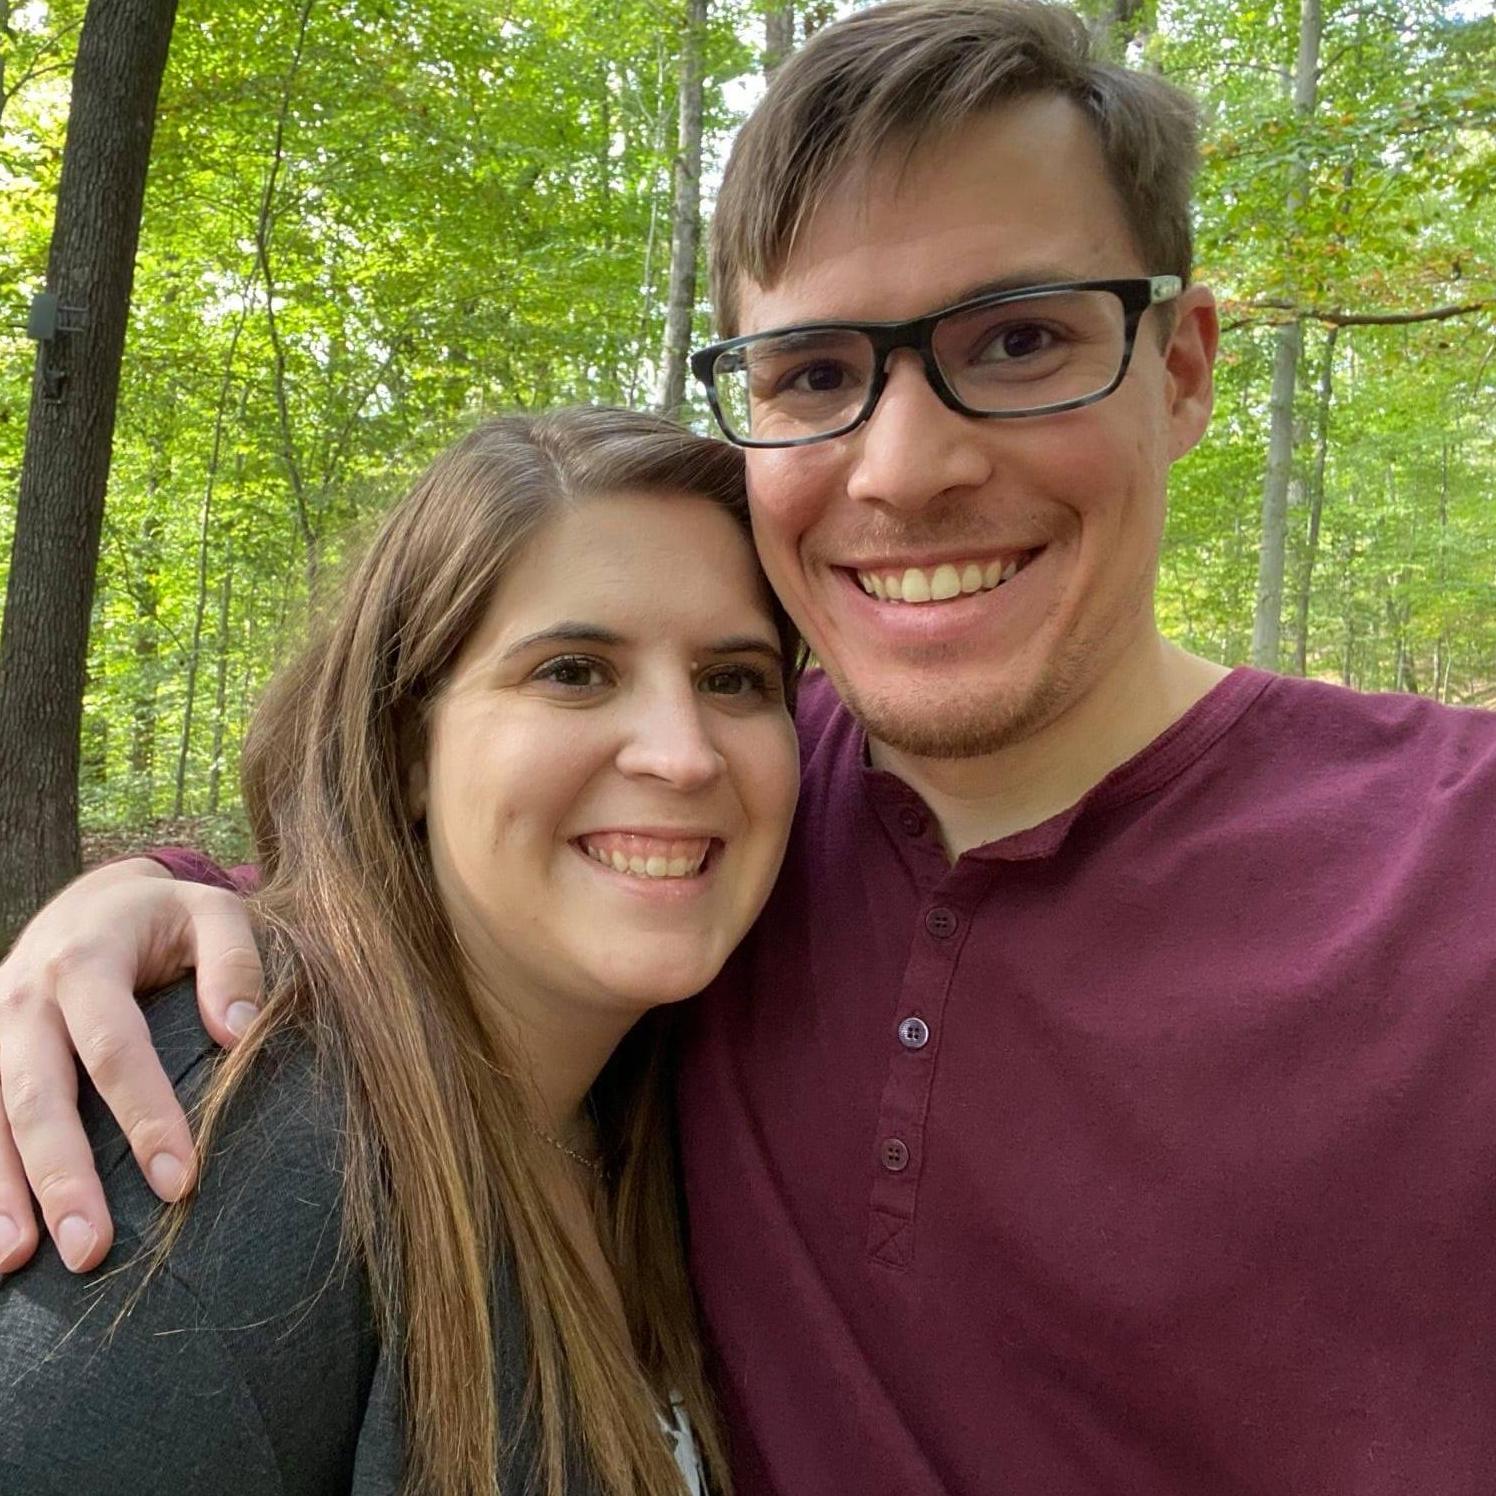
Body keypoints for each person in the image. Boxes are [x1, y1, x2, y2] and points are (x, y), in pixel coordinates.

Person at [5, 2, 1496, 1492]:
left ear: (1180, 370)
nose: (906, 470)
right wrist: (162, 917)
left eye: (1024, 338)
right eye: (815, 373)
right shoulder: (737, 831)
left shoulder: (1453, 869)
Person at [0, 406, 803, 1495]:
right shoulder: (221, 1164)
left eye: (734, 678)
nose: (681, 752)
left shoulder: (654, 1109)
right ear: (404, 744)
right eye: (574, 669)